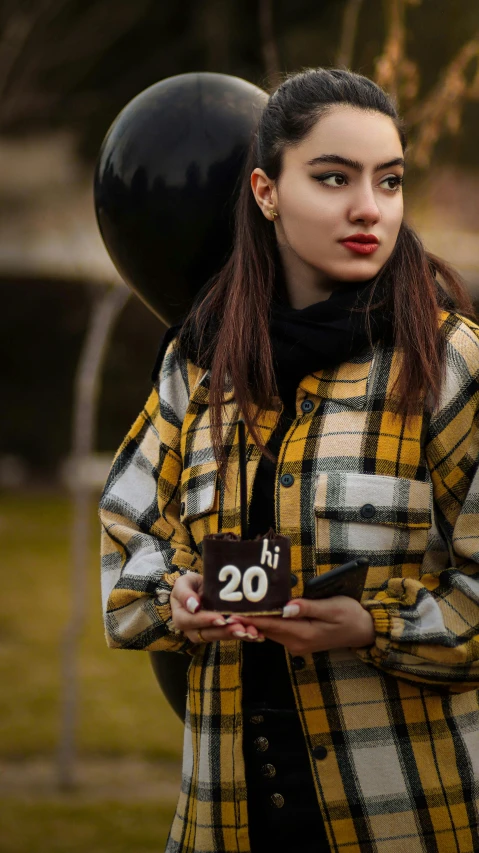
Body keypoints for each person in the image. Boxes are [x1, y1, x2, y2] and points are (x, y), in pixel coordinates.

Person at [99, 68, 479, 853]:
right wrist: (179, 596)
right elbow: (124, 545)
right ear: (266, 191)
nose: (368, 208)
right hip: (226, 820)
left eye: (390, 180)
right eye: (333, 178)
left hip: (406, 815)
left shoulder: (446, 366)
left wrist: (370, 626)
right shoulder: (198, 369)